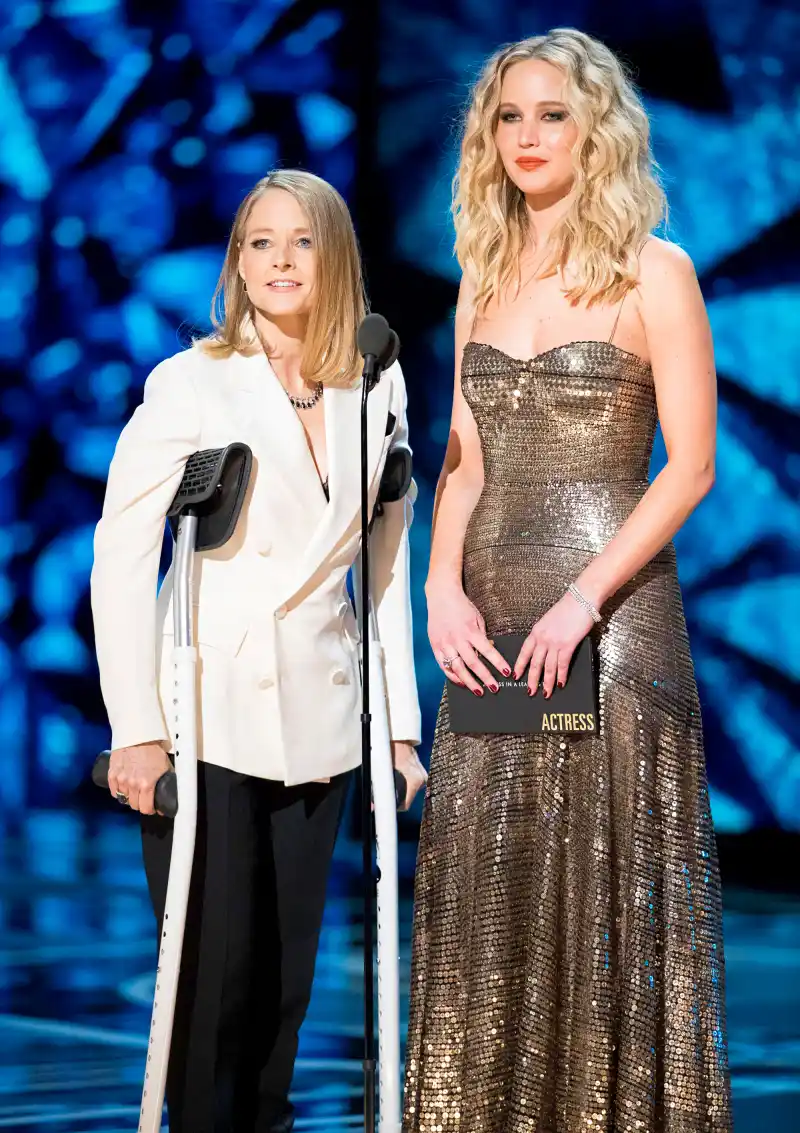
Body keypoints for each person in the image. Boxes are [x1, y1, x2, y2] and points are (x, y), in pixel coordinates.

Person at [404, 29, 731, 1133]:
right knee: (491, 897)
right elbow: (461, 463)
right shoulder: (481, 277)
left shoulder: (654, 268)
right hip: (489, 623)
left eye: (550, 113)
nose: (527, 136)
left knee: (600, 894)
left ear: (595, 125)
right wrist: (437, 590)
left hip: (610, 618)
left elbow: (689, 464)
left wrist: (583, 597)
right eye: (507, 116)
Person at [90, 169, 427, 1133]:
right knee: (212, 985)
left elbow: (387, 564)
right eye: (259, 242)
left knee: (284, 987)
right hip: (210, 713)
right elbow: (122, 552)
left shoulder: (379, 376)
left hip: (323, 718)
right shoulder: (193, 381)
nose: (280, 262)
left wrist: (398, 730)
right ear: (238, 261)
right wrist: (136, 731)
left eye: (302, 242)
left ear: (335, 256)